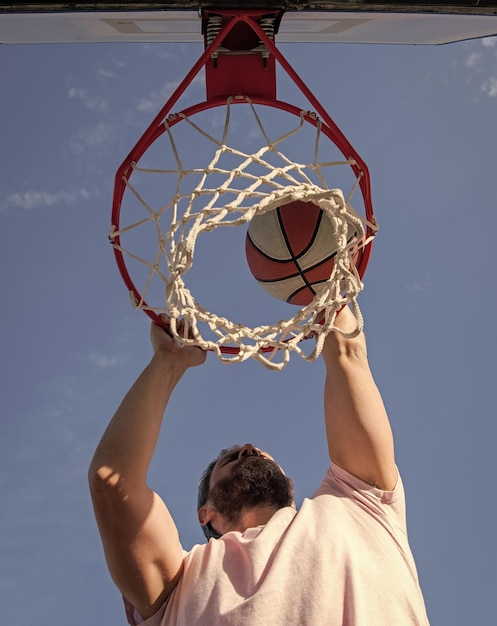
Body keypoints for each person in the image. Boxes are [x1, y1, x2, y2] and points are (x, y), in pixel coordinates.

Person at [89, 307, 430, 625]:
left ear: (290, 485)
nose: (249, 449)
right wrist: (168, 360)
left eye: (253, 452)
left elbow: (348, 355)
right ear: (205, 513)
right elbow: (111, 481)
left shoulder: (358, 502)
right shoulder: (177, 582)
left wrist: (332, 294)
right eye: (229, 458)